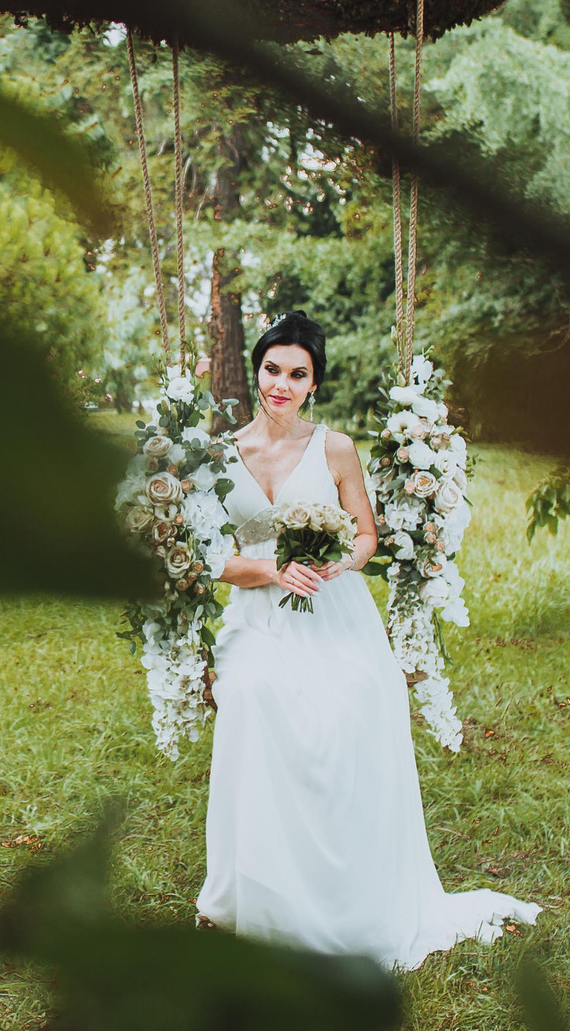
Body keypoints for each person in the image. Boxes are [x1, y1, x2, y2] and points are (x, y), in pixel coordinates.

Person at [198, 311, 541, 965]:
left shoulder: (335, 448)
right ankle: (252, 891)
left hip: (333, 611)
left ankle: (343, 890)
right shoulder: (223, 454)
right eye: (273, 369)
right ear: (257, 370)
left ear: (313, 385)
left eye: (298, 374)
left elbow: (365, 534)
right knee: (250, 692)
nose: (282, 383)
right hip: (256, 617)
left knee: (354, 700)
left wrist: (337, 561)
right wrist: (271, 568)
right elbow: (212, 554)